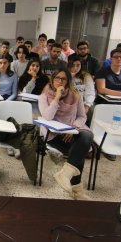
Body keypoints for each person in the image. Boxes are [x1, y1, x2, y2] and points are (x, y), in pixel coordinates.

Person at [38, 68, 93, 200]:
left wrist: (73, 128)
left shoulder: (76, 96)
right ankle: (77, 191)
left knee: (87, 136)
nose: (60, 81)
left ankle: (65, 174)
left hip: (71, 132)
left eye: (63, 79)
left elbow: (82, 117)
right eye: (57, 78)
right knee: (80, 150)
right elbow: (47, 117)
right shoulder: (44, 96)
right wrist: (57, 97)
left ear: (68, 81)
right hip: (53, 135)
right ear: (52, 80)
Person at [94, 48, 121, 161]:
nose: (119, 59)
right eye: (116, 57)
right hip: (104, 103)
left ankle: (117, 145)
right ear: (111, 58)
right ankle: (102, 145)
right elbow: (101, 89)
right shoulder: (103, 71)